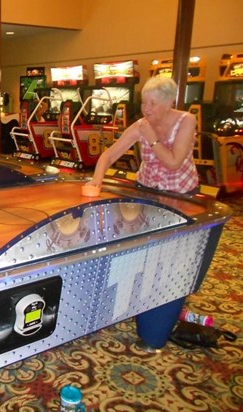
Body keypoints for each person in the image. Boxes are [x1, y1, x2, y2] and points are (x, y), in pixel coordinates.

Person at [86, 76, 199, 348]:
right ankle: (137, 301)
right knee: (144, 252)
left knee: (172, 256)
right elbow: (108, 155)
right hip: (147, 191)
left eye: (153, 103)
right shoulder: (141, 125)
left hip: (180, 194)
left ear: (170, 102)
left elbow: (173, 162)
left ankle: (164, 307)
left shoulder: (186, 121)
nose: (147, 109)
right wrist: (96, 180)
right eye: (144, 102)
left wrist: (153, 139)